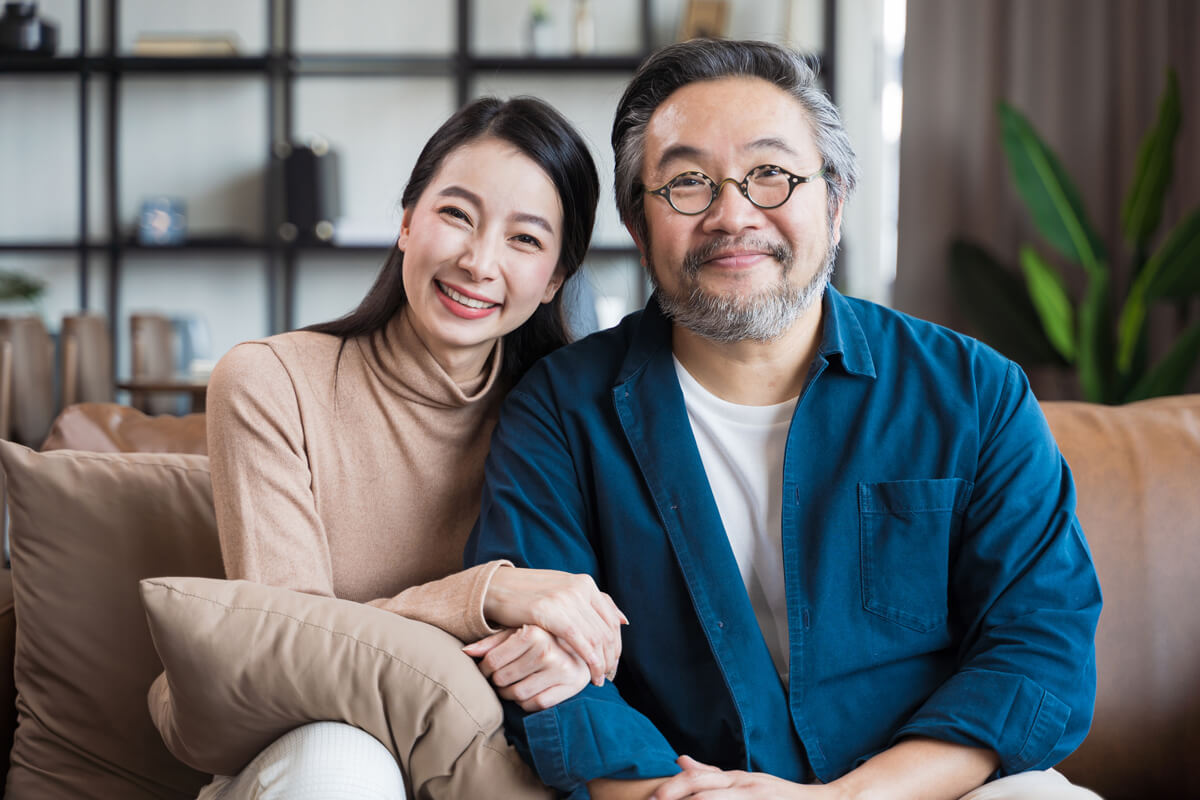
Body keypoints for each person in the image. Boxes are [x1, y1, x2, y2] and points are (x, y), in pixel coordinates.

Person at [465, 39, 1104, 800]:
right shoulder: (561, 411)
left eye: (771, 174)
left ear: (833, 204)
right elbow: (543, 670)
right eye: (689, 182)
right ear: (639, 228)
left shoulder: (974, 392)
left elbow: (1038, 646)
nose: (733, 214)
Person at [165, 96, 623, 800]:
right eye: (455, 215)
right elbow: (283, 649)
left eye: (525, 240)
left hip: (485, 756)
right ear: (407, 223)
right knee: (342, 757)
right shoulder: (271, 381)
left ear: (557, 277)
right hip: (312, 753)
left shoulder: (568, 417)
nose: (479, 262)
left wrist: (567, 658)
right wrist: (490, 594)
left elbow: (609, 629)